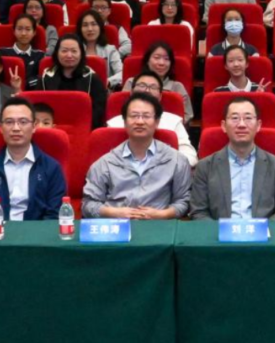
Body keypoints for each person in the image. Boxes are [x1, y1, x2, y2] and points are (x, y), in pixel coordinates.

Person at [83, 91, 192, 219]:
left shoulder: (177, 160)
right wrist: (114, 213)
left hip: (159, 226)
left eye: (146, 116)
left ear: (157, 122)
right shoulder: (105, 163)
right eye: (134, 116)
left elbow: (184, 201)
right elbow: (88, 204)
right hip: (117, 226)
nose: (140, 121)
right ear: (124, 122)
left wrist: (162, 215)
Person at [190, 96, 275, 220]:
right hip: (219, 231)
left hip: (264, 231)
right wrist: (220, 230)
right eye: (235, 118)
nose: (241, 124)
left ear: (258, 125)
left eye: (248, 118)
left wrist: (263, 229)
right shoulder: (205, 167)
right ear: (224, 126)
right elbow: (199, 212)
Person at [0, 98, 68, 221]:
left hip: (37, 232)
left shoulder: (51, 168)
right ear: (1, 127)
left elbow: (54, 216)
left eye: (23, 122)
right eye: (9, 122)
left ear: (34, 126)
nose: (16, 128)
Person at [107, 70, 196, 166]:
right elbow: (106, 158)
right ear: (131, 92)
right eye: (142, 85)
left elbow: (190, 156)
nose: (147, 90)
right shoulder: (114, 123)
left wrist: (162, 168)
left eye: (153, 87)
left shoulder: (174, 122)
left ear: (160, 96)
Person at [34, 34, 109, 128]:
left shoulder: (92, 78)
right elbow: (38, 108)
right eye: (64, 51)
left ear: (81, 54)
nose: (69, 55)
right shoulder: (46, 77)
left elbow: (98, 111)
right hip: (50, 128)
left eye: (74, 51)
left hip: (84, 128)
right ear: (57, 53)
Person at [122, 42, 194, 123]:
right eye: (156, 58)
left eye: (166, 59)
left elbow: (187, 115)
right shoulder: (131, 82)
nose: (161, 63)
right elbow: (123, 109)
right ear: (147, 61)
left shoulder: (177, 87)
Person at [75, 8, 124, 88]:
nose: (90, 29)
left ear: (100, 27)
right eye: (85, 25)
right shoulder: (74, 50)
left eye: (94, 24)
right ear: (80, 29)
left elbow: (122, 73)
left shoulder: (110, 50)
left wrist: (108, 81)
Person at [0, 14, 47, 88]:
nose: (23, 33)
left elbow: (42, 80)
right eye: (19, 29)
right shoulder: (3, 53)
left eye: (28, 29)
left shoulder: (40, 55)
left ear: (34, 32)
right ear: (14, 31)